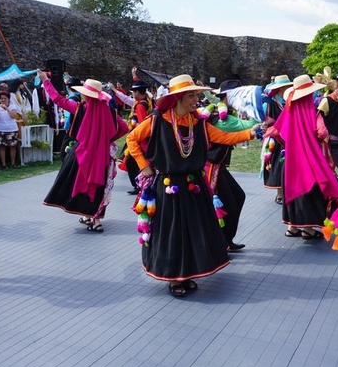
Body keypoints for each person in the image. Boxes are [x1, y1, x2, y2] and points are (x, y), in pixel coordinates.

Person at [125, 74, 257, 297]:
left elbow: (224, 137)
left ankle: (189, 273)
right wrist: (143, 164)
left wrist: (252, 133)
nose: (197, 99)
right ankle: (175, 277)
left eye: (197, 94)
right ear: (178, 98)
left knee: (193, 230)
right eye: (192, 95)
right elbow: (132, 139)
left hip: (194, 185)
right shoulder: (157, 120)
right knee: (172, 233)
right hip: (168, 187)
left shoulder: (197, 123)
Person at [42, 74, 128, 231]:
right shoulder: (110, 111)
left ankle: (88, 216)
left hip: (82, 154)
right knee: (99, 185)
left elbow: (58, 99)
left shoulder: (80, 108)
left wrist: (45, 81)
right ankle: (95, 220)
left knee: (79, 182)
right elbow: (124, 128)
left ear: (86, 94)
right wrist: (107, 138)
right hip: (102, 155)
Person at [270, 75, 338, 240]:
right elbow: (322, 132)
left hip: (291, 160)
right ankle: (308, 230)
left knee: (292, 189)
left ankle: (292, 227)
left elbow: (277, 131)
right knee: (311, 192)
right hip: (309, 160)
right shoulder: (313, 113)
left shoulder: (288, 112)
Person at [205, 79, 260, 251]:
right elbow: (251, 125)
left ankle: (226, 240)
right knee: (226, 204)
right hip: (210, 169)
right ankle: (221, 243)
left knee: (237, 197)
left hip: (218, 167)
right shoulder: (225, 120)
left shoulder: (223, 115)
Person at [114, 72, 155, 193]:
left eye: (133, 92)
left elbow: (142, 123)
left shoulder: (140, 106)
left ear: (137, 92)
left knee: (132, 162)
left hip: (140, 139)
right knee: (134, 162)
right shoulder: (148, 101)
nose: (132, 94)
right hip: (143, 138)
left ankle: (139, 185)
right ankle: (140, 184)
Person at [261, 74, 293, 204]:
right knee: (276, 163)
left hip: (287, 137)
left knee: (286, 164)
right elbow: (263, 118)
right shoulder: (270, 103)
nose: (286, 89)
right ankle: (279, 193)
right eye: (285, 87)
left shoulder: (288, 102)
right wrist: (265, 125)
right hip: (274, 138)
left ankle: (287, 191)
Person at [0, 91, 20, 168]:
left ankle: (13, 163)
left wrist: (7, 108)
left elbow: (13, 116)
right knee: (2, 147)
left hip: (12, 129)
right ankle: (4, 164)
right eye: (1, 98)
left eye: (5, 98)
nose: (3, 100)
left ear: (8, 99)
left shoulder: (13, 106)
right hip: (1, 129)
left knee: (13, 146)